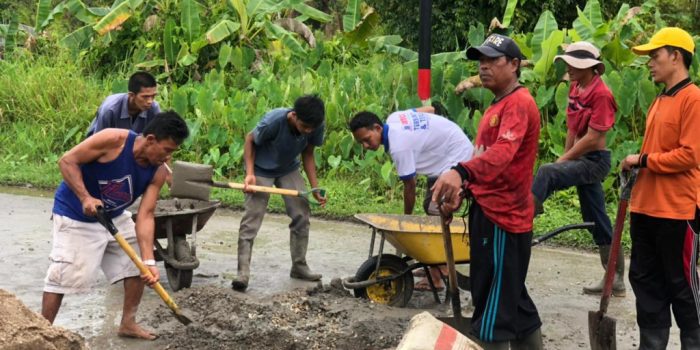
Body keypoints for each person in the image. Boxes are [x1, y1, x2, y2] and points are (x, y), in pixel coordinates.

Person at [431, 34, 543, 348]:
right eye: (481, 60)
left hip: (504, 219)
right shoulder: (497, 105)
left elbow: (504, 153)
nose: (484, 66)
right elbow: (489, 162)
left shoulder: (519, 103)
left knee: (493, 311)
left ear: (515, 65)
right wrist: (464, 189)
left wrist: (460, 171)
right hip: (490, 211)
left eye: (493, 60)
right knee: (512, 300)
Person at [41, 111, 189, 340]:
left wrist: (149, 261)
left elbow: (146, 215)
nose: (168, 157)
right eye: (167, 150)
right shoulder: (113, 141)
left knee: (137, 264)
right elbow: (67, 161)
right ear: (150, 140)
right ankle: (42, 329)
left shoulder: (158, 171)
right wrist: (85, 197)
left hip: (114, 215)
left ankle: (128, 323)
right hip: (75, 214)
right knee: (65, 275)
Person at [620, 27, 700, 349]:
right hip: (646, 207)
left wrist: (642, 160)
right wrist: (637, 166)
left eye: (655, 56)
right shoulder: (661, 99)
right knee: (645, 282)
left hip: (677, 210)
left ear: (675, 57)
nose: (650, 63)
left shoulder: (693, 98)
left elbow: (691, 154)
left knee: (681, 286)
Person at [530, 41, 623, 296]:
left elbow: (594, 138)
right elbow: (572, 127)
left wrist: (561, 164)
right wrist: (566, 157)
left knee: (548, 172)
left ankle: (523, 218)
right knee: (595, 218)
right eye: (568, 63)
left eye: (574, 64)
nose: (568, 68)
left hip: (595, 161)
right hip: (581, 159)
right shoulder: (575, 87)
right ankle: (615, 278)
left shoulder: (601, 94)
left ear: (590, 68)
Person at [348, 106, 474, 291]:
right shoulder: (394, 117)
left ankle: (439, 272)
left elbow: (410, 186)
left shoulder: (400, 147)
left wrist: (405, 221)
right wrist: (433, 135)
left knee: (434, 209)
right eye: (361, 143)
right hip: (447, 149)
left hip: (457, 157)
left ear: (377, 128)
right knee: (429, 205)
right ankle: (435, 265)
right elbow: (430, 109)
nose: (366, 146)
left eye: (367, 140)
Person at [231, 95, 328, 292]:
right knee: (252, 218)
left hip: (288, 168)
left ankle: (299, 266)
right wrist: (249, 174)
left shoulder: (315, 124)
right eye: (304, 127)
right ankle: (243, 272)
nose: (308, 131)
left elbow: (308, 153)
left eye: (312, 128)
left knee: (301, 214)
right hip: (260, 169)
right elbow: (250, 140)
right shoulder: (274, 121)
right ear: (294, 116)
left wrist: (314, 188)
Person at [86, 71, 161, 137]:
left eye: (153, 96)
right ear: (131, 95)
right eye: (145, 97)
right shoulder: (110, 109)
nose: (150, 101)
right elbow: (98, 141)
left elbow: (157, 139)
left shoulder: (154, 108)